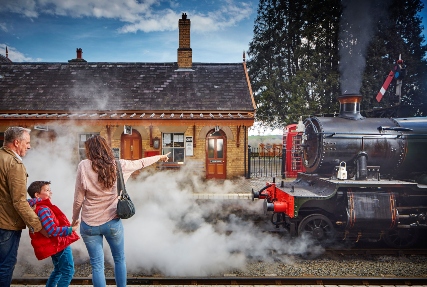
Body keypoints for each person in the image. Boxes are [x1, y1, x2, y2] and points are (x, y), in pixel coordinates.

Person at [72, 135, 170, 287]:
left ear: (89, 150)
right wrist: (161, 156)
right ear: (106, 148)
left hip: (89, 224)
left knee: (97, 265)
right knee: (119, 259)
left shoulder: (83, 166)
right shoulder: (119, 165)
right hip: (112, 222)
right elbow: (142, 162)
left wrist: (74, 219)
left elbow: (78, 199)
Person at [0, 126, 49, 286]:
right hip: (6, 225)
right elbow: (19, 201)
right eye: (27, 142)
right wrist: (38, 225)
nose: (29, 146)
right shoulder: (15, 164)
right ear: (16, 142)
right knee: (5, 266)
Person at [27, 181, 80, 287]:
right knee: (68, 271)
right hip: (59, 243)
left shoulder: (37, 207)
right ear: (37, 195)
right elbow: (52, 230)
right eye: (47, 190)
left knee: (58, 270)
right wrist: (71, 229)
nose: (50, 193)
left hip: (56, 244)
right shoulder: (43, 209)